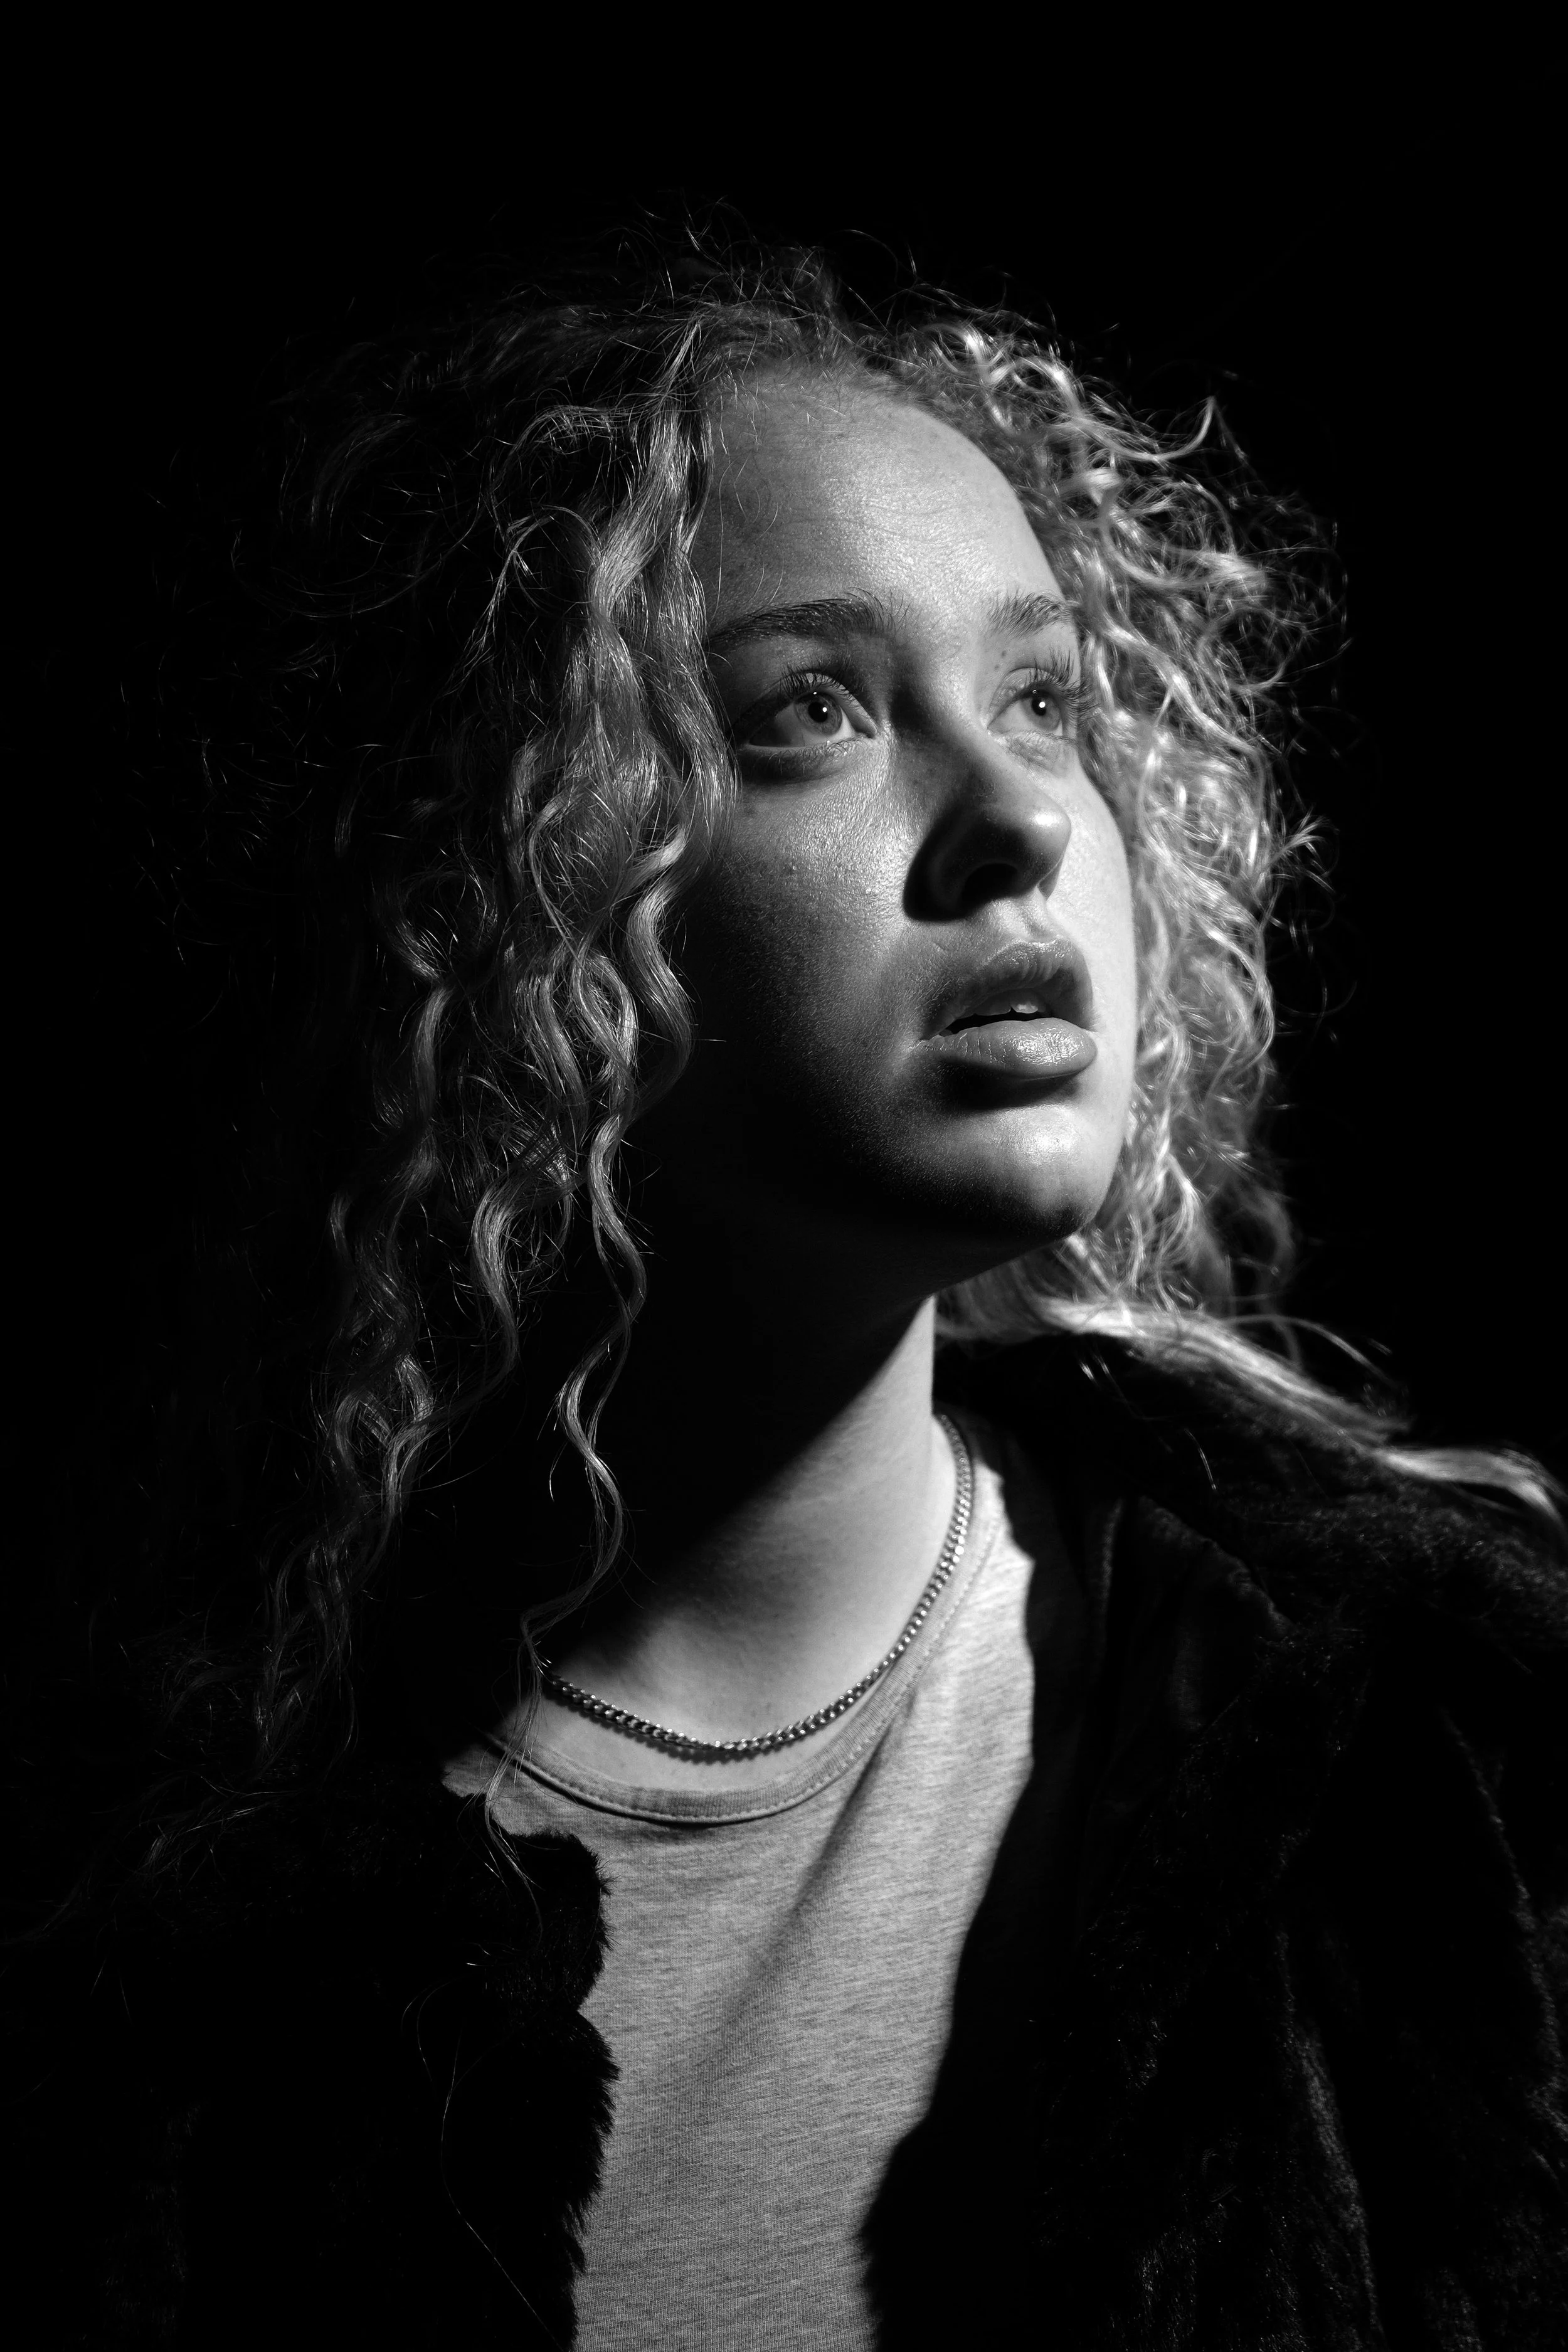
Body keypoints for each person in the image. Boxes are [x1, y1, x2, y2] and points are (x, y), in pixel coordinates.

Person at [6, 243, 1566, 2350]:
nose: (1020, 821)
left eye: (1044, 696)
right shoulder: (132, 1912)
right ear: (491, 884)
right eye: (805, 713)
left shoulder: (1439, 1724)